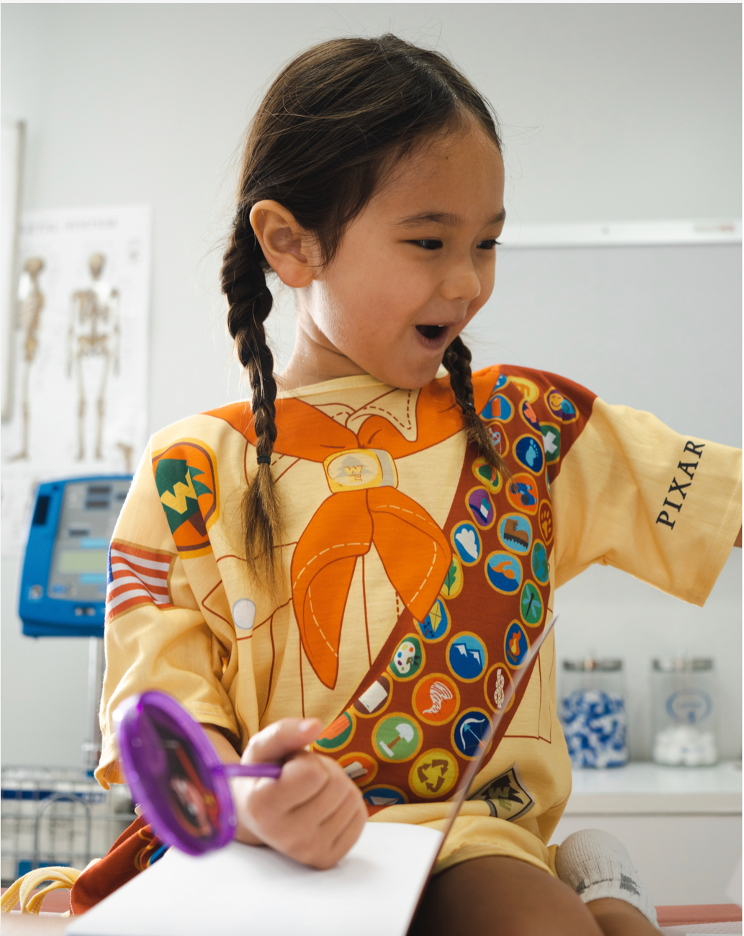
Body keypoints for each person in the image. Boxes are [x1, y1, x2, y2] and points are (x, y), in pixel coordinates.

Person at [79, 35, 741, 935]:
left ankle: (597, 895)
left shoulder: (530, 428)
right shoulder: (189, 470)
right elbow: (154, 716)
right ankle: (611, 896)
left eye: (488, 242)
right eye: (429, 241)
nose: (468, 281)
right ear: (291, 243)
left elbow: (720, 501)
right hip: (263, 857)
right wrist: (241, 795)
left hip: (469, 838)